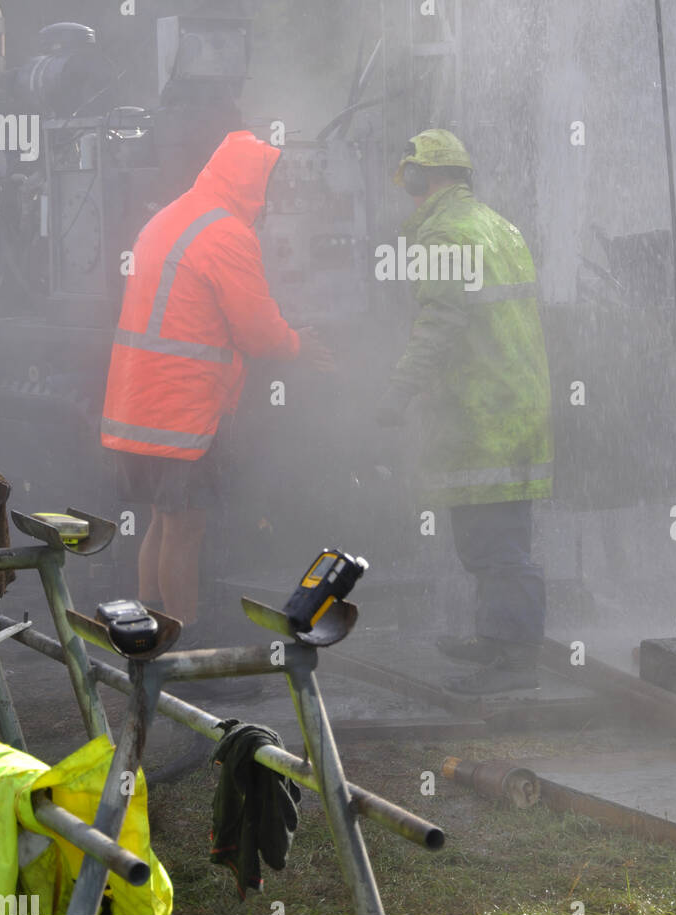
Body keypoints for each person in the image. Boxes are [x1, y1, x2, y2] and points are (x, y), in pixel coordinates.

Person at [101, 129, 332, 633]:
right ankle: (179, 649)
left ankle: (147, 643)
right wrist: (300, 346)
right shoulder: (225, 232)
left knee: (164, 521)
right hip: (185, 410)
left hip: (142, 404)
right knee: (185, 530)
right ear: (250, 182)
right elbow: (257, 329)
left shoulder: (173, 216)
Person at [376, 129, 553, 695]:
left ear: (422, 177)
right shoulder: (497, 224)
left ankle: (518, 658)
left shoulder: (448, 232)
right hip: (513, 403)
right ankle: (496, 638)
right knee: (494, 533)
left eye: (410, 179)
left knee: (494, 543)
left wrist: (396, 393)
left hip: (484, 411)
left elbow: (441, 324)